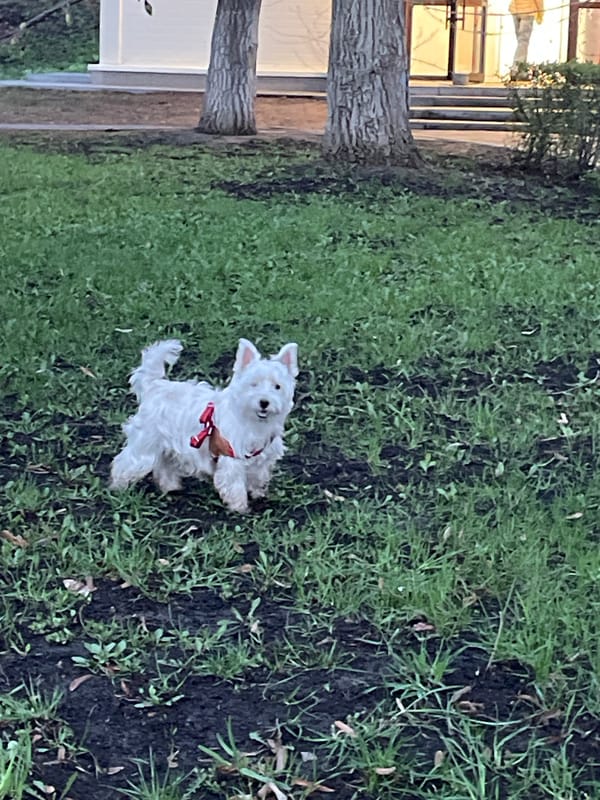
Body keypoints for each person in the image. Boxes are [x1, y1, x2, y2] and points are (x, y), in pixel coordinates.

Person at [509, 0, 544, 69]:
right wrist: (541, 14)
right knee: (523, 41)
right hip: (528, 11)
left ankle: (522, 68)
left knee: (521, 42)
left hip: (515, 10)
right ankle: (517, 67)